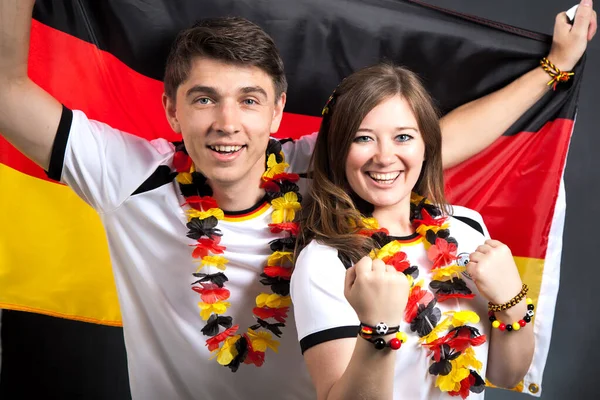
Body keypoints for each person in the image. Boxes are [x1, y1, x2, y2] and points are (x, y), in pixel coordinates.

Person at [0, 0, 595, 399]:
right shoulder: (125, 173)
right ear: (171, 109)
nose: (226, 123)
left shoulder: (321, 167)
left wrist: (555, 67)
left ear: (278, 111)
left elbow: (437, 140)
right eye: (204, 98)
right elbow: (6, 89)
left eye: (249, 99)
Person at [292, 63, 534, 400]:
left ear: (426, 146)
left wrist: (513, 303)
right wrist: (378, 329)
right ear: (338, 151)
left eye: (403, 136)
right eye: (363, 138)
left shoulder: (467, 226)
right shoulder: (325, 262)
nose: (384, 156)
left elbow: (506, 376)